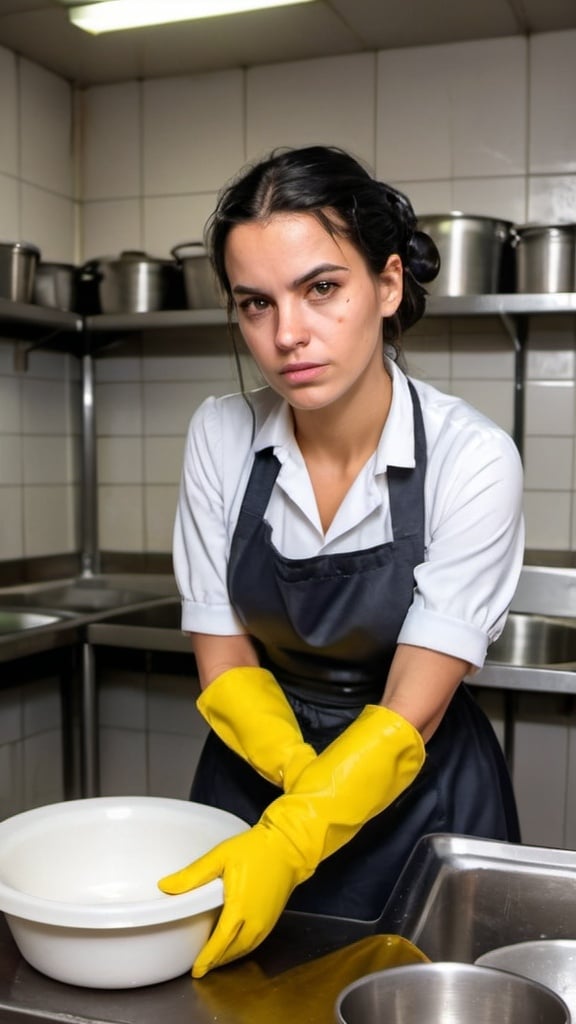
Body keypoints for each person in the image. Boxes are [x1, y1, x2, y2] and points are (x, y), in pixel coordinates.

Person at [158, 145, 525, 978]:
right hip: (256, 776)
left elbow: (414, 709)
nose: (288, 335)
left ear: (387, 285)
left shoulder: (472, 459)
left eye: (322, 288)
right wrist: (294, 781)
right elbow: (222, 656)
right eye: (256, 304)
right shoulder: (220, 435)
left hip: (416, 795)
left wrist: (297, 834)